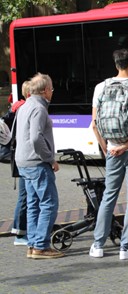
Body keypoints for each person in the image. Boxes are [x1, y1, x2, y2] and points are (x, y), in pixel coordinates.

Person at [89, 48, 128, 260]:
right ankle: (126, 247)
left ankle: (98, 245)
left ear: (116, 65)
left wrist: (107, 148)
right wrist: (127, 146)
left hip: (113, 150)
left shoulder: (100, 87)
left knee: (109, 196)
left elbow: (95, 124)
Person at [15, 73, 64, 259]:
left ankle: (33, 243)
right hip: (37, 163)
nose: (52, 92)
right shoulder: (39, 108)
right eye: (51, 88)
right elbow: (36, 137)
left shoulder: (25, 105)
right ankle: (41, 246)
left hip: (24, 162)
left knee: (33, 204)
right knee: (49, 203)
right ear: (45, 90)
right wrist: (50, 158)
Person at [11, 80, 31, 246]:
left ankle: (22, 230)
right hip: (25, 159)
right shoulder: (25, 108)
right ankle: (20, 233)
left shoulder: (19, 108)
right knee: (25, 196)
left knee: (25, 196)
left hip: (20, 157)